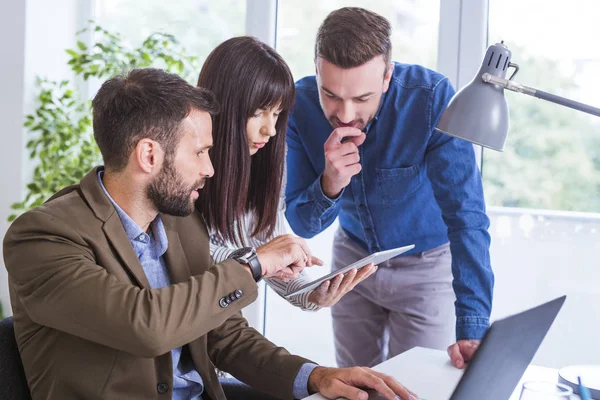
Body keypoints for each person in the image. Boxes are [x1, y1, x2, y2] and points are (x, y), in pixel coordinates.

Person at [3, 68, 417, 400]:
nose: (210, 169)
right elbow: (145, 325)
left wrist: (317, 377)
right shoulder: (42, 238)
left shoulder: (179, 220)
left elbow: (224, 334)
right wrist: (253, 264)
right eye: (200, 152)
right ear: (150, 155)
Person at [285, 7, 494, 370]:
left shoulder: (431, 99)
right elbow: (303, 225)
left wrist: (472, 324)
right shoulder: (298, 105)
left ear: (387, 76)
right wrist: (331, 183)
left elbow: (467, 216)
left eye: (362, 98)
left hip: (426, 270)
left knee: (411, 390)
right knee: (356, 388)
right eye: (331, 95)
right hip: (352, 262)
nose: (346, 113)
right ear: (317, 68)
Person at [196, 36, 374, 310]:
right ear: (223, 105)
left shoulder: (264, 162)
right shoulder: (185, 164)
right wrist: (260, 259)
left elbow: (267, 243)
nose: (271, 130)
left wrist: (312, 293)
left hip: (221, 319)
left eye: (277, 114)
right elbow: (188, 252)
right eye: (259, 113)